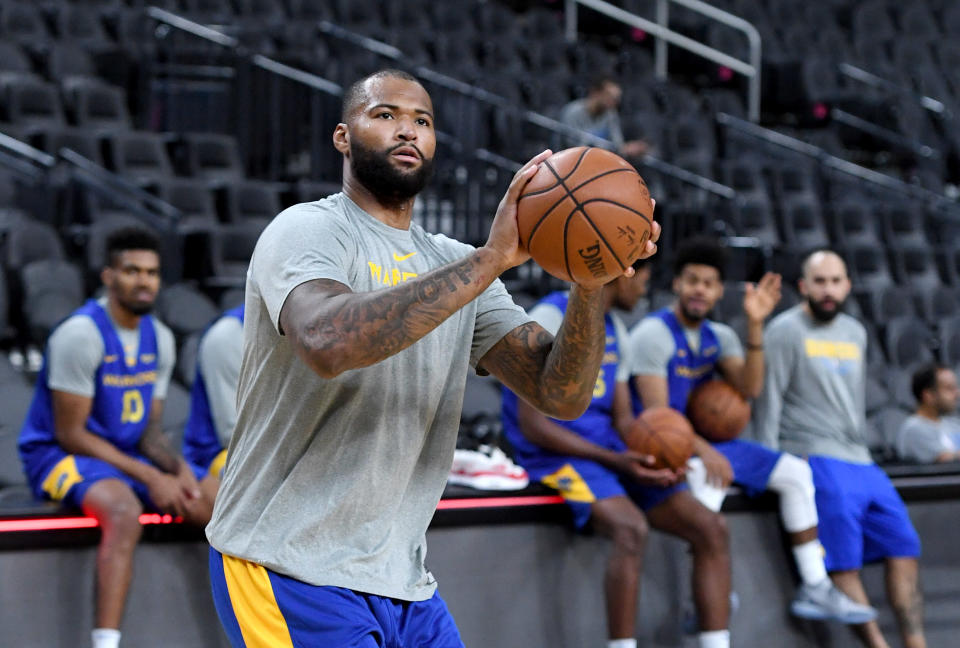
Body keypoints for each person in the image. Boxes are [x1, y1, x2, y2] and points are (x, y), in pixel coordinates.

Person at [204, 68, 660, 647]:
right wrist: (492, 259)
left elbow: (560, 395)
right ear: (343, 136)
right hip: (286, 562)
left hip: (402, 579)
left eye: (422, 121)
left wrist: (591, 277)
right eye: (385, 115)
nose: (407, 131)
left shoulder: (457, 262)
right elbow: (327, 342)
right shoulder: (307, 231)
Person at [629, 238, 876, 625]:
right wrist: (705, 450)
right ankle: (706, 597)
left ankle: (814, 585)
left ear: (718, 291)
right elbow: (658, 417)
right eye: (692, 280)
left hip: (708, 444)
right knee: (707, 481)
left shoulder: (721, 336)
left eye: (709, 283)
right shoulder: (652, 335)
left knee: (796, 474)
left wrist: (756, 325)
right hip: (662, 447)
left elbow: (751, 389)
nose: (699, 290)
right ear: (676, 284)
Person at [503, 259, 733, 648]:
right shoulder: (548, 315)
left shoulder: (617, 331)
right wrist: (615, 460)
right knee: (630, 529)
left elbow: (626, 421)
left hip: (607, 452)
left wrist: (657, 459)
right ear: (621, 275)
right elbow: (533, 425)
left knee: (711, 528)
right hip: (553, 456)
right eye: (642, 281)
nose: (643, 292)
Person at [18, 227, 212, 648]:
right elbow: (71, 434)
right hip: (57, 456)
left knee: (217, 499)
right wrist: (149, 478)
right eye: (132, 270)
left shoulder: (159, 338)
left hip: (124, 454)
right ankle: (106, 643)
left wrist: (177, 471)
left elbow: (149, 433)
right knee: (123, 513)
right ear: (108, 276)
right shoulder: (79, 335)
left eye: (152, 272)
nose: (144, 281)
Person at [756, 249, 926, 648]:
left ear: (848, 285)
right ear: (803, 286)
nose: (828, 290)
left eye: (835, 281)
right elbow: (769, 400)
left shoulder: (855, 331)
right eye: (820, 281)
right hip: (814, 455)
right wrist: (770, 458)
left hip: (862, 460)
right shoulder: (784, 330)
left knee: (905, 546)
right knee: (843, 561)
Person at [182, 304, 244, 503]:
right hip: (220, 453)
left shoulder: (315, 333)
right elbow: (233, 434)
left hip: (284, 446)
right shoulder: (227, 336)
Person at [558, 75, 647, 158]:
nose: (613, 101)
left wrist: (627, 148)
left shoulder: (610, 114)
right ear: (595, 92)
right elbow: (572, 146)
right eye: (609, 95)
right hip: (570, 162)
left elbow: (616, 145)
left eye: (616, 98)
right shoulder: (573, 111)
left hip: (597, 162)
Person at [897, 364, 960, 463]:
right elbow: (945, 461)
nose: (957, 394)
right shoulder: (914, 429)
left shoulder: (953, 424)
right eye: (949, 388)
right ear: (929, 395)